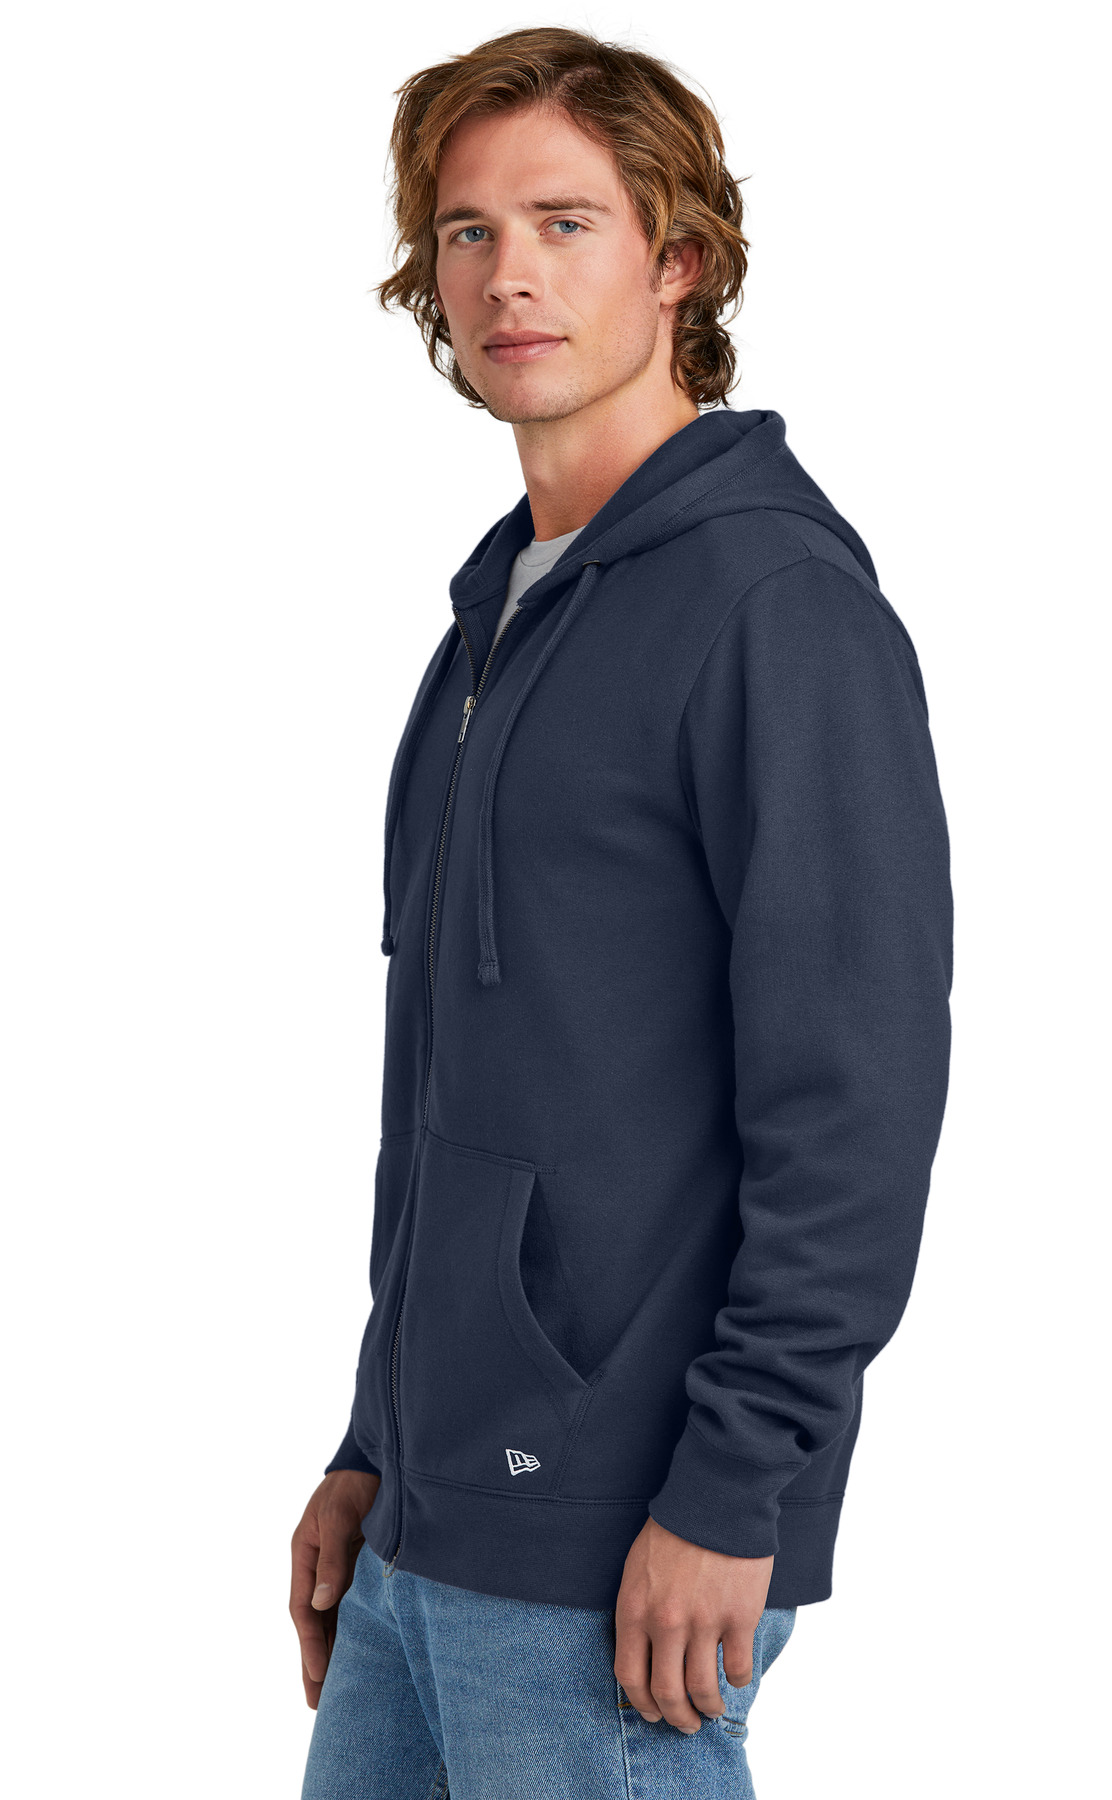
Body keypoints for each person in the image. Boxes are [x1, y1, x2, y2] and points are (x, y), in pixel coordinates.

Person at [291, 26, 953, 1799]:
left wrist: (738, 1489)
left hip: (623, 1539)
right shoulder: (497, 621)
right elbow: (462, 1089)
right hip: (431, 1517)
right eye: (467, 231)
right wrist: (376, 1438)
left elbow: (855, 1101)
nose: (509, 273)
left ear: (679, 261)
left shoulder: (773, 610)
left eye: (566, 222)